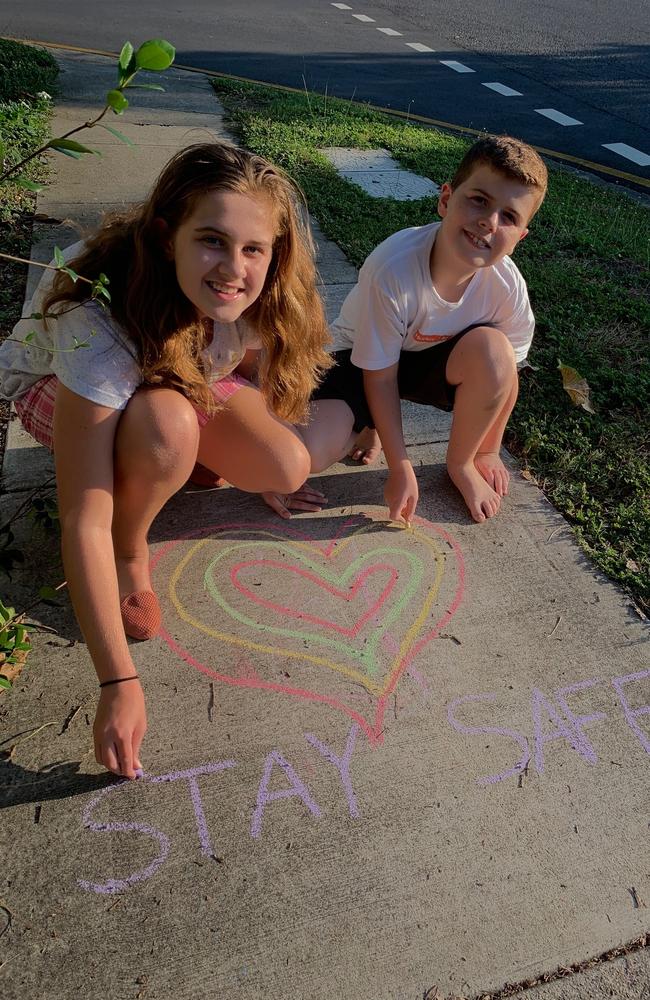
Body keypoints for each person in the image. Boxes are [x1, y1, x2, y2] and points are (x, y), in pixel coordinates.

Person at [0, 142, 349, 779]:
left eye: (254, 249)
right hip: (66, 388)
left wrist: (252, 457)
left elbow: (247, 362)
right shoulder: (95, 319)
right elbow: (83, 511)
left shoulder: (256, 290)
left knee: (285, 466)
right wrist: (117, 680)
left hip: (174, 368)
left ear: (276, 251)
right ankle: (133, 546)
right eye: (212, 241)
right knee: (166, 425)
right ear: (167, 236)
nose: (234, 268)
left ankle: (193, 450)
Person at [312, 135, 548, 525]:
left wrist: (486, 451)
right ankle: (364, 423)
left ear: (519, 238)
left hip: (427, 364)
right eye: (479, 200)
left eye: (509, 217)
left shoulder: (506, 286)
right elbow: (380, 376)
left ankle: (460, 464)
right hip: (357, 361)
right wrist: (400, 466)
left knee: (495, 352)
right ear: (445, 199)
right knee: (313, 454)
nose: (490, 222)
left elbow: (509, 375)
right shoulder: (394, 268)